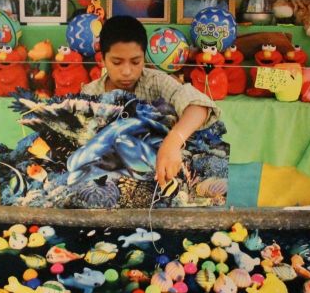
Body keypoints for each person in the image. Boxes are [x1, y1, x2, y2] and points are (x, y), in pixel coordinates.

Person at [82, 15, 220, 187]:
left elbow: (199, 105)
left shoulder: (157, 82)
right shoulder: (89, 94)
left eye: (135, 62)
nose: (127, 71)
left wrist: (173, 141)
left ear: (144, 58)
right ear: (102, 60)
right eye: (117, 62)